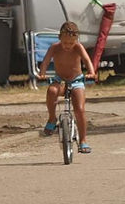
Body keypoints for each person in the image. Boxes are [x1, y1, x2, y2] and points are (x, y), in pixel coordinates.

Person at [40, 21, 96, 153]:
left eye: (71, 43)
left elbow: (87, 60)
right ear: (59, 38)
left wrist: (91, 73)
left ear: (76, 40)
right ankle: (52, 118)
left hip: (76, 81)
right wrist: (42, 74)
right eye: (65, 43)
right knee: (52, 90)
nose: (68, 46)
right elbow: (46, 61)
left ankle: (83, 140)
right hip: (60, 80)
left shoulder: (78, 48)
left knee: (80, 109)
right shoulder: (54, 47)